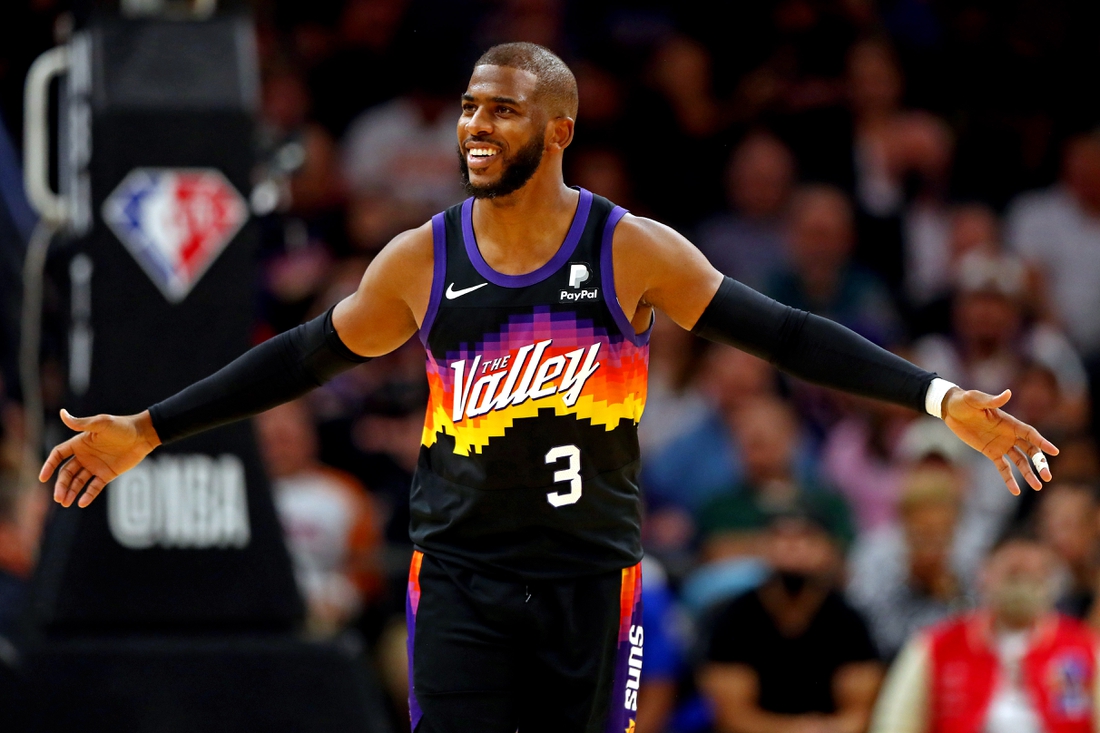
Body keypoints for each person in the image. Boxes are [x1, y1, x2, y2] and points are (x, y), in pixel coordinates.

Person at [39, 43, 1058, 733]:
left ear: (558, 128)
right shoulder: (420, 259)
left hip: (590, 581)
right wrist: (149, 426)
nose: (475, 124)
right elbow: (304, 354)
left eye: (502, 109)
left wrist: (938, 398)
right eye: (470, 107)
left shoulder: (626, 251)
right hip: (463, 580)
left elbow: (783, 332)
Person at [871, 531, 1099, 733]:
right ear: (985, 574)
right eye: (1013, 575)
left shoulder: (1085, 647)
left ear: (1051, 582)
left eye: (1033, 576)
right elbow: (893, 725)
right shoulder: (935, 645)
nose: (1022, 587)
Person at [701, 509, 883, 733]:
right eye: (780, 537)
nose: (792, 546)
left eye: (806, 537)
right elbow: (731, 716)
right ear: (760, 547)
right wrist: (797, 730)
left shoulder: (849, 620)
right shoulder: (732, 618)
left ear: (829, 550)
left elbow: (860, 713)